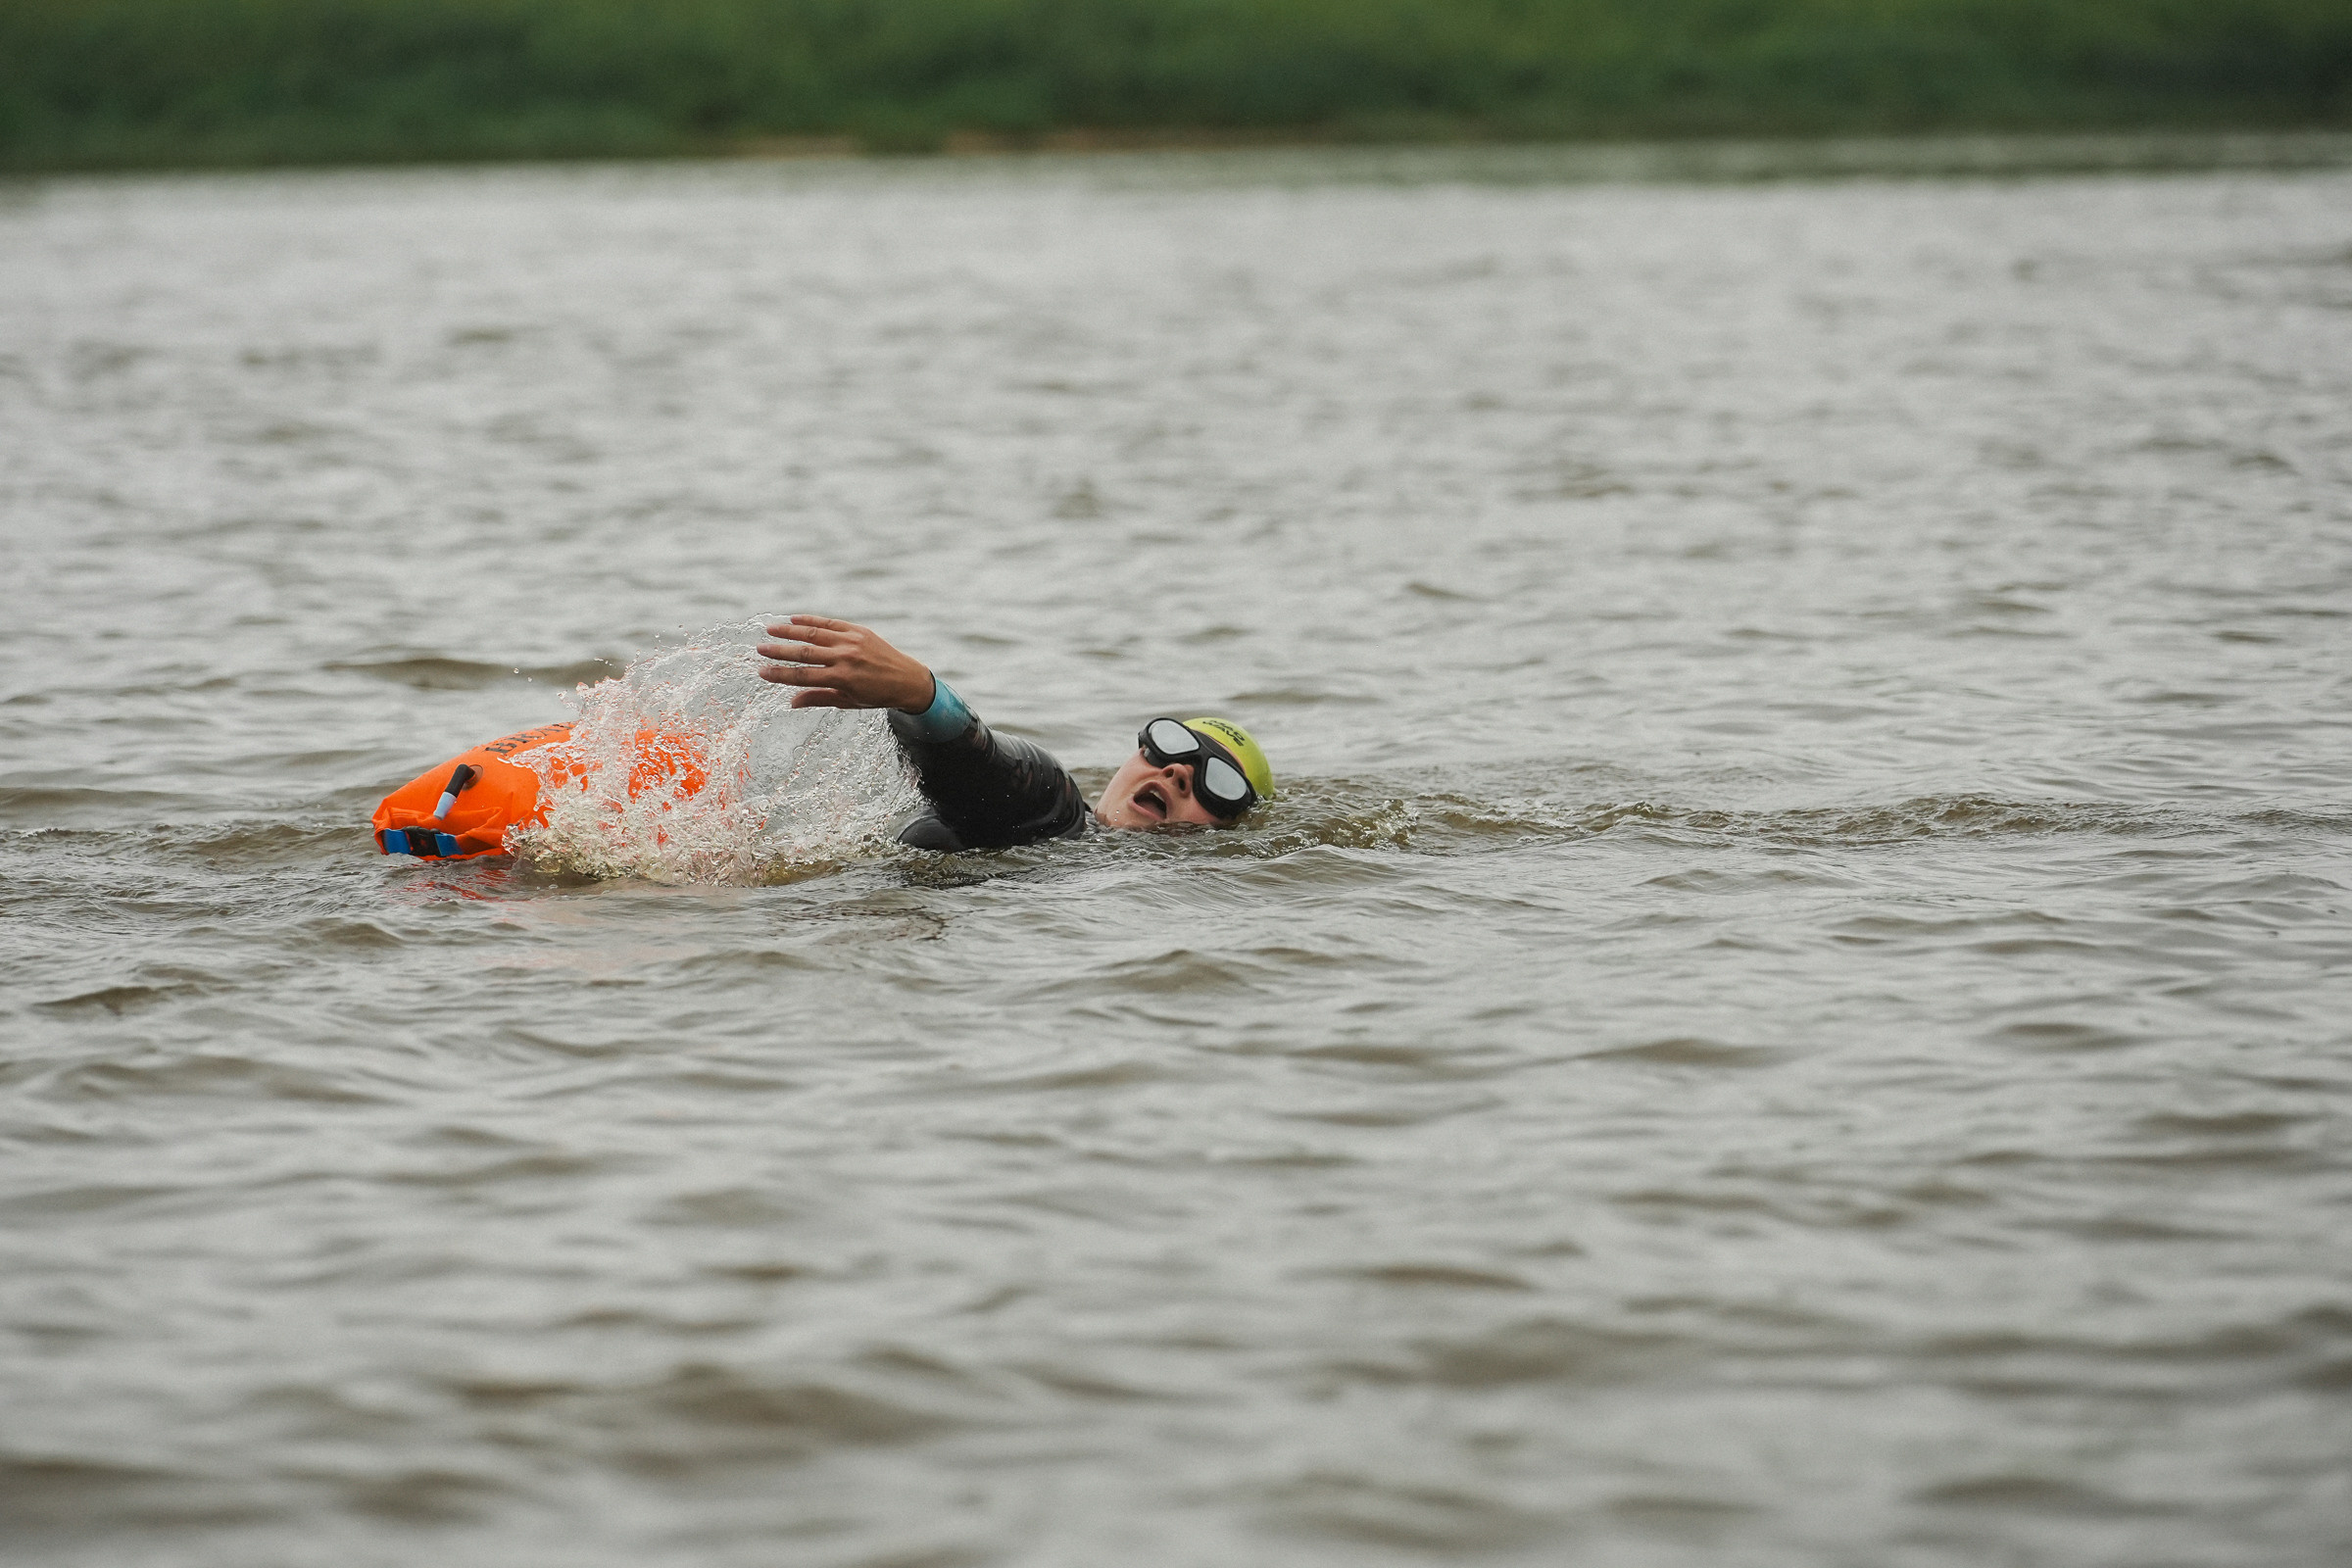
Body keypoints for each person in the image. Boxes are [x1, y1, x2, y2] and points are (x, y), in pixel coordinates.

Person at [755, 615, 1273, 852]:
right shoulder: (1058, 809)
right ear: (1130, 759)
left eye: (1218, 782)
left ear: (1233, 829)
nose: (1179, 770)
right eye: (1170, 744)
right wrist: (923, 696)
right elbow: (990, 769)